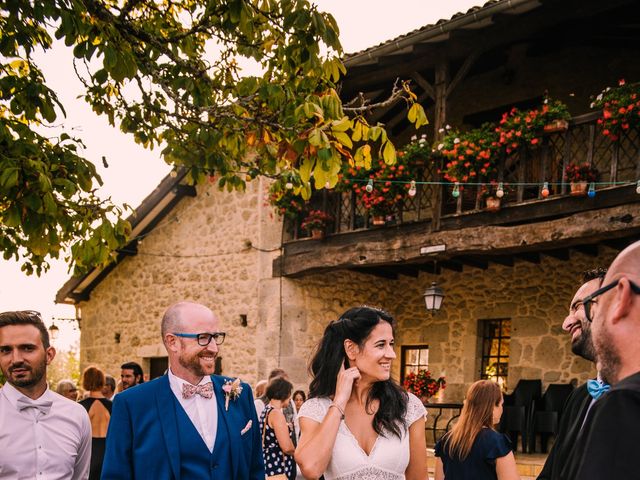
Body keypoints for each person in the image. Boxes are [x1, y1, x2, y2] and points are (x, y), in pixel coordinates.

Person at [102, 301, 264, 479]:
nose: (214, 348)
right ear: (173, 342)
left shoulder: (241, 394)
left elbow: (255, 470)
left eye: (215, 337)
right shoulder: (132, 404)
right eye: (203, 337)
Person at [295, 306, 428, 480]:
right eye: (381, 345)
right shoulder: (317, 409)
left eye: (391, 344)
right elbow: (311, 469)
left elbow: (419, 478)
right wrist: (339, 402)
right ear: (351, 349)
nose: (392, 354)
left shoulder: (408, 406)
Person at [567, 241, 640, 479]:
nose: (565, 324)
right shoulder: (581, 399)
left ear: (622, 298)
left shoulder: (625, 403)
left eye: (583, 306)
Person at [0, 310, 91, 479]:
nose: (16, 358)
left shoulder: (76, 415)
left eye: (27, 348)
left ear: (49, 355)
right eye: (6, 350)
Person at [537, 268, 607, 480]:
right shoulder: (579, 398)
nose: (566, 323)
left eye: (577, 306)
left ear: (616, 305)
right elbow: (551, 472)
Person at [434, 380, 519, 480]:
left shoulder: (446, 440)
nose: (502, 409)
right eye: (501, 404)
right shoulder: (497, 443)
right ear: (492, 406)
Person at [79, 366, 112, 480]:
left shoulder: (80, 407)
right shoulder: (113, 405)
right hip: (108, 450)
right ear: (102, 381)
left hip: (89, 450)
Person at [259, 377, 296, 479]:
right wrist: (298, 453)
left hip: (268, 465)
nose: (290, 398)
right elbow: (287, 447)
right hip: (277, 468)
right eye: (289, 394)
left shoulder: (266, 410)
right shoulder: (276, 413)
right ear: (284, 394)